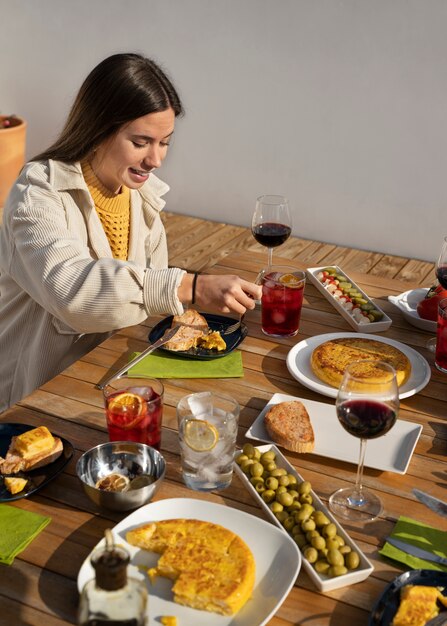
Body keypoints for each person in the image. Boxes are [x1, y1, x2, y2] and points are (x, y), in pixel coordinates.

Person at [0, 53, 261, 412]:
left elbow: (144, 304)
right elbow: (71, 292)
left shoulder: (143, 197)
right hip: (34, 398)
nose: (155, 160)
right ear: (98, 129)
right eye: (141, 143)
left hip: (110, 380)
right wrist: (191, 286)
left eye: (164, 142)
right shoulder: (37, 194)